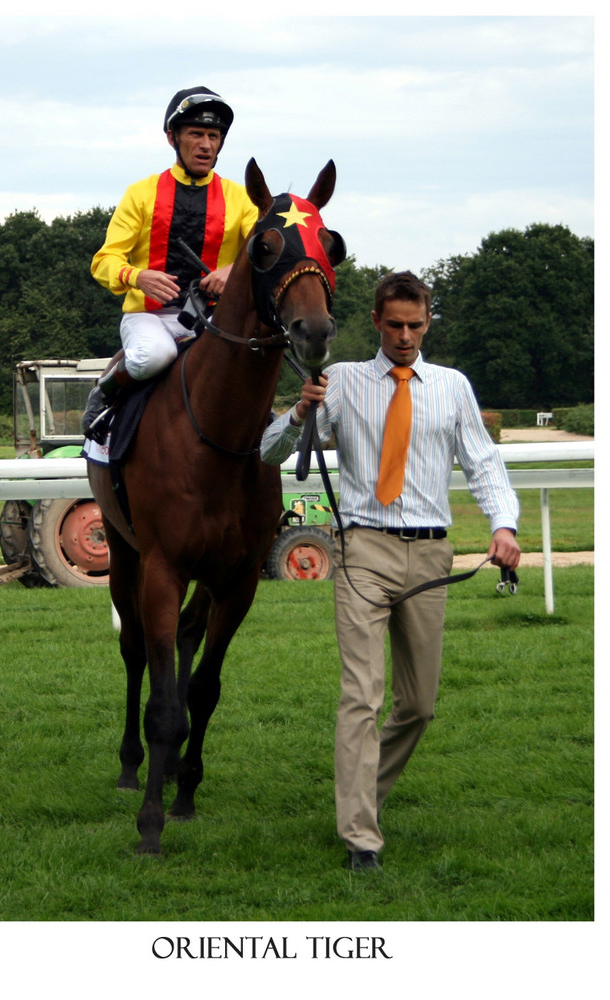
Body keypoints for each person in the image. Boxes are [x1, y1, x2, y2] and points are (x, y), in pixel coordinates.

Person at [260, 270, 521, 873]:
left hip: (431, 554)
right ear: (376, 321)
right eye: (395, 324)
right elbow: (270, 454)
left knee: (419, 705)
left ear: (428, 323)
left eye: (416, 325)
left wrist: (503, 526)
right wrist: (299, 414)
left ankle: (362, 797)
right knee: (361, 694)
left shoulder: (452, 387)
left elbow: (483, 464)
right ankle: (360, 838)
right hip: (362, 553)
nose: (405, 336)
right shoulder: (343, 382)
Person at [84, 86, 259, 441]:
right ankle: (105, 391)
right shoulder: (141, 193)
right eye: (196, 134)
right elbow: (104, 261)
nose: (206, 145)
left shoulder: (239, 198)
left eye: (214, 136)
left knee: (251, 362)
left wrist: (234, 270)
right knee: (153, 356)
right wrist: (137, 275)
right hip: (150, 318)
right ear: (172, 137)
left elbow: (262, 252)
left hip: (213, 321)